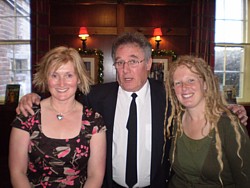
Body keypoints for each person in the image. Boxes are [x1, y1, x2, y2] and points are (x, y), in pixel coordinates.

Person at [16, 32, 248, 188]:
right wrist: (34, 98)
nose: (125, 69)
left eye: (133, 61)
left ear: (148, 64)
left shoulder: (169, 95)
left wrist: (230, 109)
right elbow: (62, 96)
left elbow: (196, 99)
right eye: (119, 62)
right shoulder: (96, 97)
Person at [9, 46, 107, 188]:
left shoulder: (93, 121)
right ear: (46, 78)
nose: (61, 83)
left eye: (68, 75)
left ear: (78, 78)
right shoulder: (27, 117)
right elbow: (18, 172)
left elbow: (95, 175)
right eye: (54, 75)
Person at [164, 55, 250, 187]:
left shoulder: (229, 126)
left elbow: (244, 180)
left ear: (205, 84)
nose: (184, 87)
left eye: (191, 80)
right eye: (178, 83)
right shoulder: (175, 122)